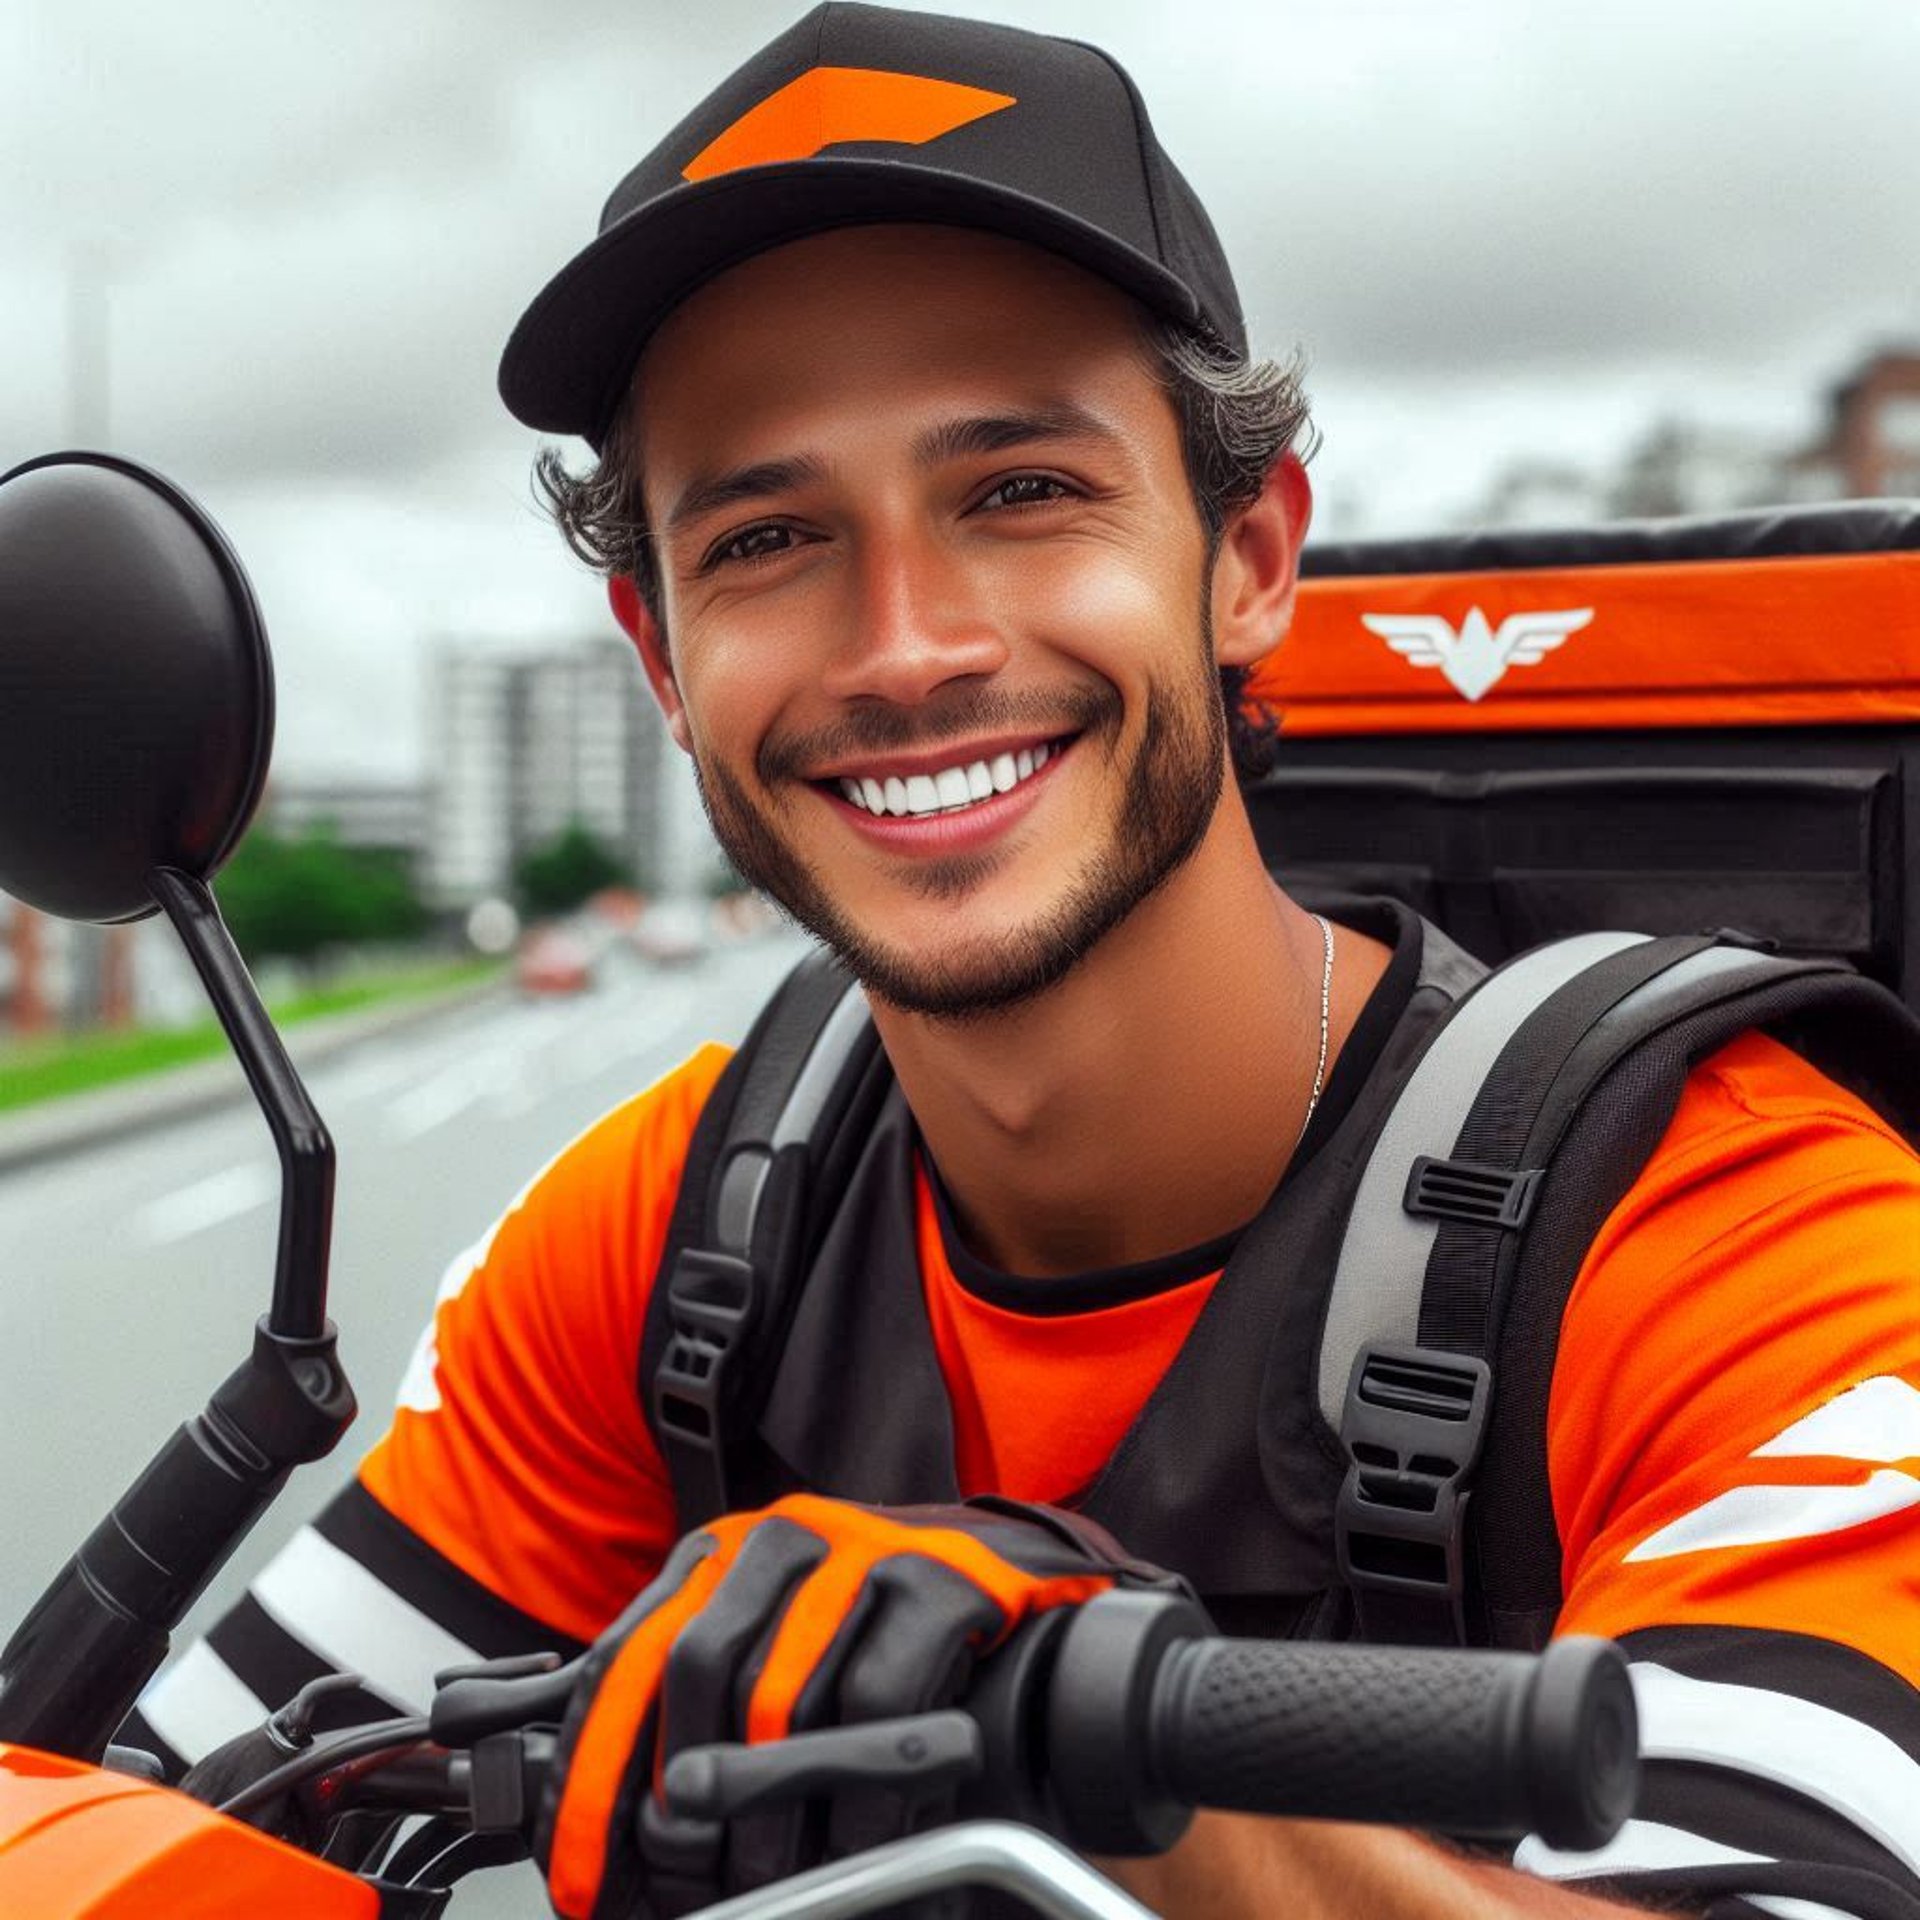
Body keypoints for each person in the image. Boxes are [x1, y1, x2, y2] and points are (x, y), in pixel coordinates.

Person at [130, 7, 1920, 1918]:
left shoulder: (1741, 1224)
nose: (903, 646)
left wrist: (1116, 1775)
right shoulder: (677, 1237)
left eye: (1021, 492)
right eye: (769, 537)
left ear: (1248, 557)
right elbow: (175, 1808)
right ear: (659, 658)